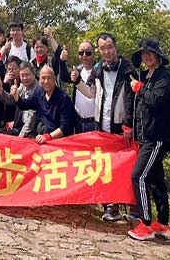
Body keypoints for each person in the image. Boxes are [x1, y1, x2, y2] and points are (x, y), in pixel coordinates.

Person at [73, 32, 136, 222]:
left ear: (115, 47)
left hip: (121, 127)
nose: (107, 51)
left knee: (124, 167)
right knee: (105, 167)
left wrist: (128, 125)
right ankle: (110, 206)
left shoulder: (128, 69)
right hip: (102, 126)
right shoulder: (98, 69)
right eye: (102, 48)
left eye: (109, 47)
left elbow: (133, 100)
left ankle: (134, 210)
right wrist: (77, 81)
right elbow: (91, 93)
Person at [127, 39, 170, 241]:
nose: (146, 56)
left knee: (138, 176)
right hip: (145, 136)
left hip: (157, 137)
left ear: (158, 55)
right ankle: (163, 225)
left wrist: (140, 88)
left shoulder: (165, 76)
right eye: (143, 53)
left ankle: (145, 224)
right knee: (156, 180)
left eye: (150, 53)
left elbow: (157, 100)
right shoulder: (144, 76)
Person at [10, 65, 74, 143]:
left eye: (49, 78)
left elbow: (66, 127)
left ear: (54, 79)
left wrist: (49, 137)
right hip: (40, 135)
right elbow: (25, 105)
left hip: (56, 139)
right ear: (39, 80)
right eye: (43, 78)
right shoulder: (39, 92)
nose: (46, 81)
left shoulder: (63, 98)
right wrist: (16, 96)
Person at [0, 61, 39, 137]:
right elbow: (11, 100)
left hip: (33, 130)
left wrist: (20, 137)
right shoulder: (22, 87)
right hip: (20, 125)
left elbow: (31, 119)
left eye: (27, 75)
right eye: (22, 75)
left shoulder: (38, 90)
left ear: (33, 74)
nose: (24, 78)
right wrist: (0, 89)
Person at [67, 40, 101, 133]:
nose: (84, 55)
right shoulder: (78, 69)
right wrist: (62, 60)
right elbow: (63, 77)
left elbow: (91, 93)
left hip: (94, 123)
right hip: (78, 121)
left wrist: (77, 80)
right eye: (81, 52)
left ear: (94, 54)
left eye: (88, 52)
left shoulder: (99, 71)